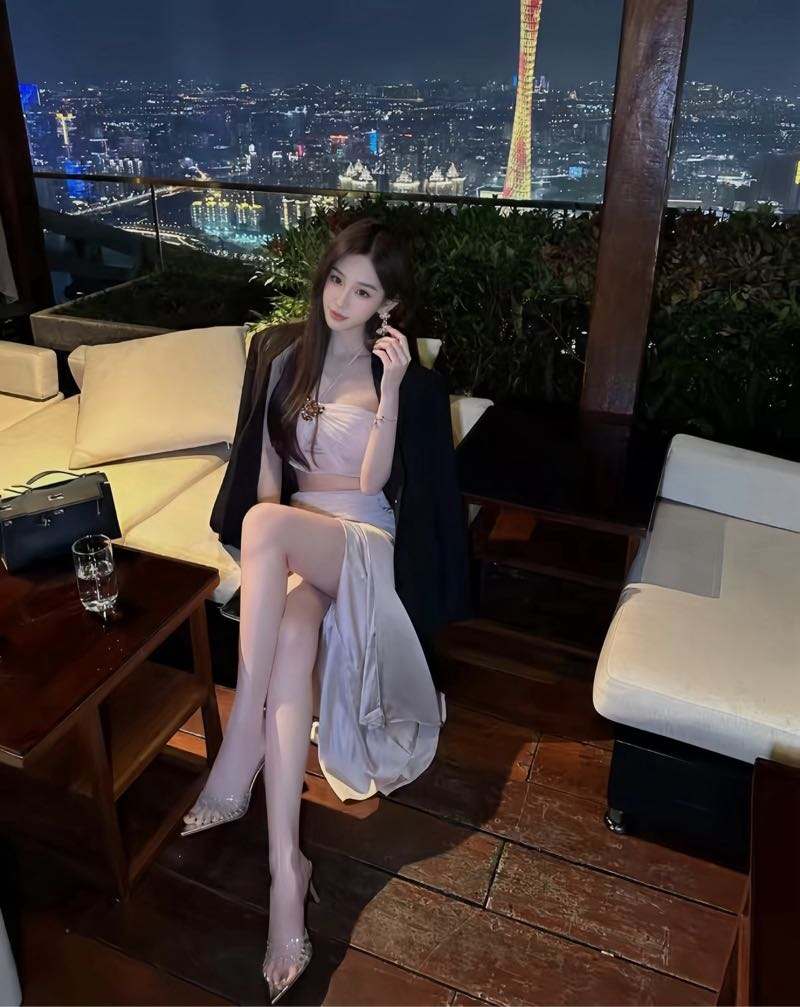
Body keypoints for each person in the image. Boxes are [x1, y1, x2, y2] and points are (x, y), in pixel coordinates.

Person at [182, 217, 471, 1003]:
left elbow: (374, 482)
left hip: (364, 546)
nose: (342, 298)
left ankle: (238, 738)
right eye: (338, 279)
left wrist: (394, 389)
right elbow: (268, 478)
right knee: (290, 640)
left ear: (389, 305)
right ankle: (288, 873)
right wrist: (276, 569)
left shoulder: (391, 375)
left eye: (364, 290)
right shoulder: (284, 359)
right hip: (301, 542)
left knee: (265, 526)